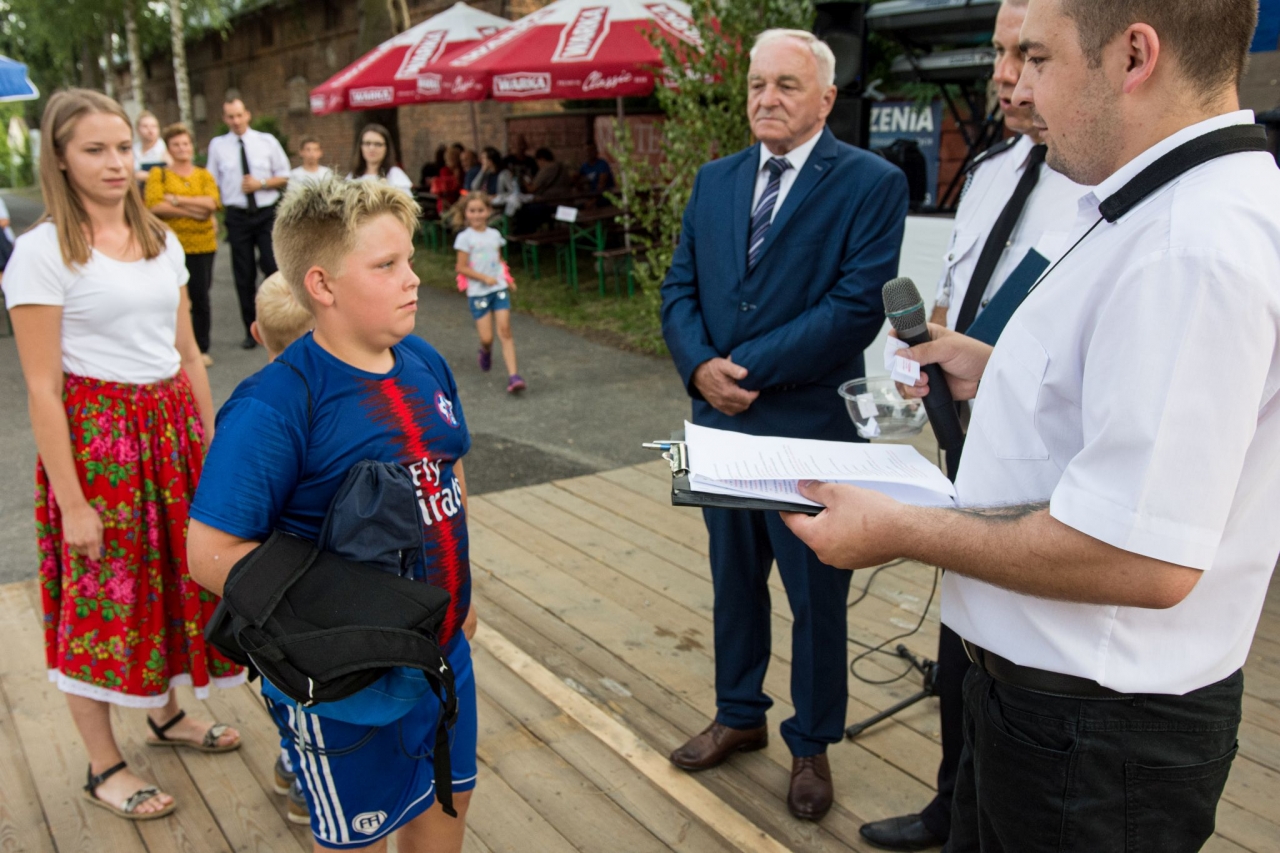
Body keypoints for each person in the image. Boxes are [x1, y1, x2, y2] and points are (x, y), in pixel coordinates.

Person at [784, 1, 1279, 850]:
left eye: (1040, 58)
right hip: (1049, 709)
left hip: (1092, 739)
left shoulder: (1189, 243)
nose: (1019, 86)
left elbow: (1142, 555)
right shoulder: (1153, 201)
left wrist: (901, 528)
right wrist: (993, 362)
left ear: (1134, 56)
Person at [186, 177, 478, 853]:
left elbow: (449, 472)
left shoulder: (425, 360)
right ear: (321, 284)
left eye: (409, 259)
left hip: (444, 656)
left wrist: (468, 589)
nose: (413, 278)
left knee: (446, 808)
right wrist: (351, 621)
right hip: (345, 685)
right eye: (386, 265)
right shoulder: (275, 405)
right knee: (356, 840)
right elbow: (210, 554)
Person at [660, 29, 908, 822]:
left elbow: (855, 307)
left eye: (787, 86)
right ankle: (739, 714)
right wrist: (699, 367)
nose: (766, 98)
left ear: (827, 99)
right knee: (733, 583)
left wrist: (741, 368)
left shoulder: (872, 182)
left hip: (809, 429)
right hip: (719, 424)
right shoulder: (715, 179)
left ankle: (812, 741)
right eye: (757, 84)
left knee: (816, 595)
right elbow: (679, 287)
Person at [857, 2, 1085, 849]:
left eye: (1028, 54)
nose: (1004, 76)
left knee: (1015, 662)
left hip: (1049, 472)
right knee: (961, 645)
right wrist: (927, 350)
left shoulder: (1108, 187)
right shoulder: (991, 169)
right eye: (997, 52)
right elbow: (958, 294)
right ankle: (951, 802)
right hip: (964, 438)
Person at [3, 88, 244, 822]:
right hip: (100, 443)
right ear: (60, 159)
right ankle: (102, 763)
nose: (115, 163)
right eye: (94, 150)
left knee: (173, 577)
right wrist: (72, 500)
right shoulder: (42, 252)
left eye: (122, 148)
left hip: (170, 429)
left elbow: (189, 353)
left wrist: (214, 444)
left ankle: (165, 713)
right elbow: (42, 387)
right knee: (102, 596)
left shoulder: (160, 238)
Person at [207, 97, 291, 350]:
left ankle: (282, 324)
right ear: (225, 119)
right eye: (230, 117)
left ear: (247, 115)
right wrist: (213, 214)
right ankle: (251, 329)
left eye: (239, 115)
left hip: (265, 213)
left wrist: (260, 184)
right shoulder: (218, 146)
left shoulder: (266, 141)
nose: (236, 121)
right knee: (243, 275)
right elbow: (212, 181)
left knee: (273, 267)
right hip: (237, 215)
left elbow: (284, 175)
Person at [144, 123, 221, 368]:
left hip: (202, 244)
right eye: (176, 144)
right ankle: (173, 347)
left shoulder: (203, 175)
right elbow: (154, 205)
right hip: (168, 245)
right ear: (168, 148)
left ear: (192, 146)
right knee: (171, 298)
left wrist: (175, 200)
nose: (182, 148)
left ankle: (201, 347)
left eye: (185, 143)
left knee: (200, 297)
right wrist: (194, 211)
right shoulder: (159, 175)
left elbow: (212, 203)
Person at [453, 194, 524, 393]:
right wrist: (484, 278)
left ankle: (514, 376)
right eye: (472, 211)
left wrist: (507, 279)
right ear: (466, 213)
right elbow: (461, 267)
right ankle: (485, 350)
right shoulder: (465, 238)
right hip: (479, 294)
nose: (477, 215)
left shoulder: (494, 235)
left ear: (488, 211)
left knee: (505, 331)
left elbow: (498, 260)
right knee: (487, 338)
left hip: (498, 289)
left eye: (480, 210)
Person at [347, 123, 413, 192]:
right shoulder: (352, 176)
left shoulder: (395, 175)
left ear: (386, 148)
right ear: (361, 146)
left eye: (378, 144)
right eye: (367, 143)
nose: (372, 148)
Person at [132, 110, 171, 186]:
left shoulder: (166, 149)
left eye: (154, 126)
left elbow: (172, 174)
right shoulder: (133, 149)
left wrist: (146, 176)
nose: (150, 130)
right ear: (137, 130)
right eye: (145, 126)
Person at [431, 144, 463, 215]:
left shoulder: (461, 171)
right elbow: (449, 187)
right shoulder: (445, 171)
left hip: (458, 201)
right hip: (446, 203)